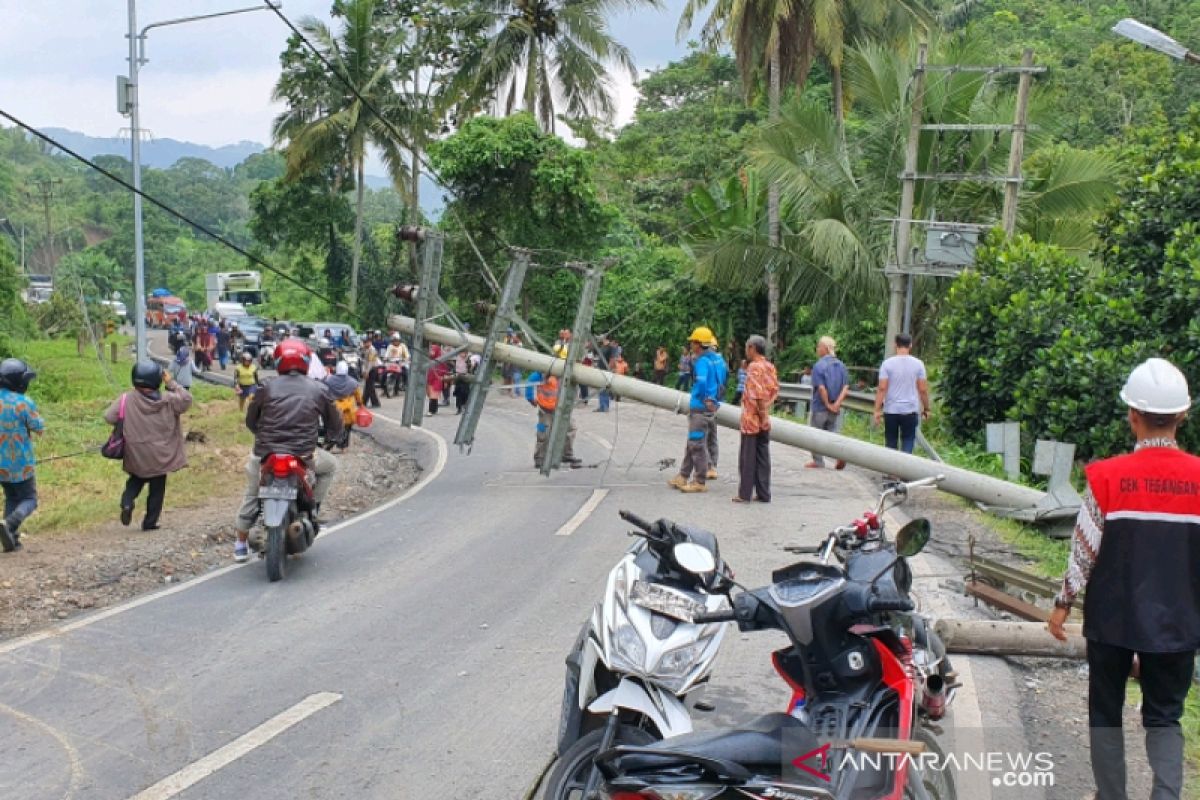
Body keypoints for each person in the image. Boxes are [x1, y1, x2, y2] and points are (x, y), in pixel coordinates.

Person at [1048, 358, 1200, 800]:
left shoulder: (1107, 477)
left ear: (1132, 416)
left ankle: (1111, 795)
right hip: (1178, 622)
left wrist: (1063, 603)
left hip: (1112, 619)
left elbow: (1085, 547)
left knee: (1105, 711)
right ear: (1183, 416)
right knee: (1165, 716)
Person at [232, 339, 342, 563]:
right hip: (303, 454)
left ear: (279, 361)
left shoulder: (266, 386)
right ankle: (314, 508)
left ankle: (241, 544)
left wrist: (262, 436)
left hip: (266, 454)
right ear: (305, 361)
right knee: (330, 466)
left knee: (253, 492)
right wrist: (332, 437)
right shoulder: (319, 388)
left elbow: (251, 420)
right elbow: (336, 423)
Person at [105, 360, 192, 531]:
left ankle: (127, 502)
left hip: (136, 452)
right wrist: (171, 383)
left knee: (136, 479)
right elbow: (187, 400)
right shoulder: (168, 399)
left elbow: (109, 417)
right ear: (157, 379)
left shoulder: (126, 399)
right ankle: (150, 522)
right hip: (161, 454)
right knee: (157, 489)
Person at [668, 327, 727, 493]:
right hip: (710, 406)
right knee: (692, 442)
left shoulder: (702, 361)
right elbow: (722, 380)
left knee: (696, 444)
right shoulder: (717, 360)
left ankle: (699, 481)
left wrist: (702, 398)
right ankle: (683, 476)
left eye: (692, 342)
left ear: (698, 344)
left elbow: (701, 383)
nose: (691, 344)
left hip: (700, 408)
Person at [0, 359, 44, 552]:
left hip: (1, 464)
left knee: (11, 497)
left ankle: (11, 538)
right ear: (19, 382)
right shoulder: (24, 403)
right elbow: (39, 427)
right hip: (21, 463)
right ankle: (10, 524)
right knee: (29, 499)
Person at [734, 336, 779, 503]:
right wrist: (766, 412)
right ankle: (763, 493)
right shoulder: (770, 366)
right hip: (763, 417)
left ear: (752, 348)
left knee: (747, 457)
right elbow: (774, 391)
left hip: (751, 419)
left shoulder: (754, 367)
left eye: (747, 348)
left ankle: (744, 494)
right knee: (763, 457)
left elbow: (756, 394)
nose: (747, 351)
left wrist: (761, 414)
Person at [872, 333, 929, 454]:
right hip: (910, 410)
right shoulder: (919, 364)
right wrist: (926, 408)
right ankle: (904, 470)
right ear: (911, 345)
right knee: (908, 440)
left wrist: (877, 410)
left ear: (895, 345)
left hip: (891, 410)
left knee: (891, 441)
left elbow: (882, 388)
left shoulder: (887, 364)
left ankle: (891, 471)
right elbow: (923, 389)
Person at [808, 336, 850, 469]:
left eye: (819, 346)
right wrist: (836, 404)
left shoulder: (819, 366)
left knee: (815, 434)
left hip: (820, 406)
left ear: (825, 348)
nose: (817, 349)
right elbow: (845, 388)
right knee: (833, 432)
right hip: (836, 408)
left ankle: (818, 461)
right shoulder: (841, 365)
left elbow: (821, 388)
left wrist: (827, 404)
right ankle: (840, 455)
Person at [526, 370, 581, 469]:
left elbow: (575, 388)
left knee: (571, 429)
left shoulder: (567, 373)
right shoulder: (541, 373)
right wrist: (530, 398)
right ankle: (539, 458)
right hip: (544, 411)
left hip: (562, 410)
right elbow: (530, 382)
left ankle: (566, 455)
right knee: (543, 433)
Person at [324, 361, 362, 451]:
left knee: (331, 427)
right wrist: (360, 404)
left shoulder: (328, 380)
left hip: (333, 408)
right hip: (348, 411)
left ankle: (330, 442)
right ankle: (342, 448)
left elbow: (324, 392)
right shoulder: (353, 382)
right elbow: (358, 396)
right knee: (347, 428)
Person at [361, 341, 382, 408]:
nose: (364, 344)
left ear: (370, 342)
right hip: (368, 368)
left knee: (370, 386)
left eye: (366, 343)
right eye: (364, 343)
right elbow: (364, 361)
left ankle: (376, 403)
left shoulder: (372, 350)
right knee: (367, 386)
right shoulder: (365, 349)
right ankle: (363, 402)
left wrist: (367, 372)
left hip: (373, 368)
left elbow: (370, 362)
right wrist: (364, 371)